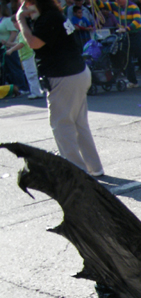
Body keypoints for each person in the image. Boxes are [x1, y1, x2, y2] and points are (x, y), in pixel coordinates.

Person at [16, 0, 104, 175]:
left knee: (61, 125)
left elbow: (33, 42)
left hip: (63, 76)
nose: (25, 9)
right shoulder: (55, 16)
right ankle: (94, 168)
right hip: (77, 72)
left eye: (26, 4)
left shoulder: (48, 19)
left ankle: (75, 172)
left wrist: (20, 20)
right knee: (79, 123)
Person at [98, 0, 141, 87]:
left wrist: (126, 29)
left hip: (136, 34)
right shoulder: (115, 5)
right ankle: (133, 81)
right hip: (125, 35)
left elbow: (136, 21)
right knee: (126, 59)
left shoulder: (133, 7)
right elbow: (101, 5)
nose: (117, 1)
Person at [7, 14, 44, 98]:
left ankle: (36, 93)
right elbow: (19, 43)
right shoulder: (22, 32)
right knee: (30, 74)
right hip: (26, 56)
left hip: (28, 55)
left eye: (14, 23)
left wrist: (11, 50)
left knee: (31, 74)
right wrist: (8, 44)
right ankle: (36, 91)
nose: (14, 25)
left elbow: (22, 44)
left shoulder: (23, 32)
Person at [1, 3, 29, 91]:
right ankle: (13, 89)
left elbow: (13, 32)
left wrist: (8, 43)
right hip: (2, 48)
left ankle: (22, 87)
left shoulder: (7, 20)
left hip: (9, 48)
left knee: (14, 68)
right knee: (6, 70)